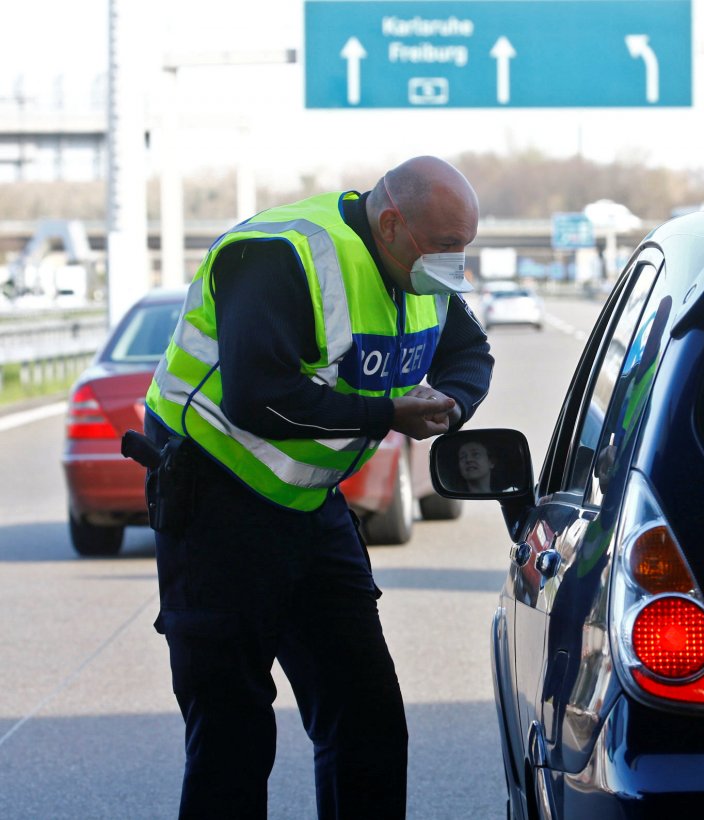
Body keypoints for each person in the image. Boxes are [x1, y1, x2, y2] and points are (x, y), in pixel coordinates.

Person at [140, 155, 493, 819]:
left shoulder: (423, 273)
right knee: (232, 736)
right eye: (447, 245)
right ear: (392, 224)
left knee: (369, 722)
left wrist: (449, 404)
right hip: (216, 506)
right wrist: (386, 414)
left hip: (310, 508)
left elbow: (470, 353)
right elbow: (258, 397)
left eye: (464, 246)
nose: (456, 263)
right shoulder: (281, 255)